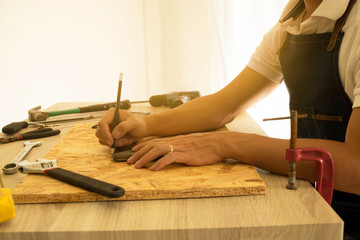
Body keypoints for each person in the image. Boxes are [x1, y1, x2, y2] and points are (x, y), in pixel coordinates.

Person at [96, 0, 359, 238]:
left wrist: (227, 144)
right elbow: (224, 106)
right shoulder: (294, 18)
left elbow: (356, 166)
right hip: (322, 199)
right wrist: (144, 125)